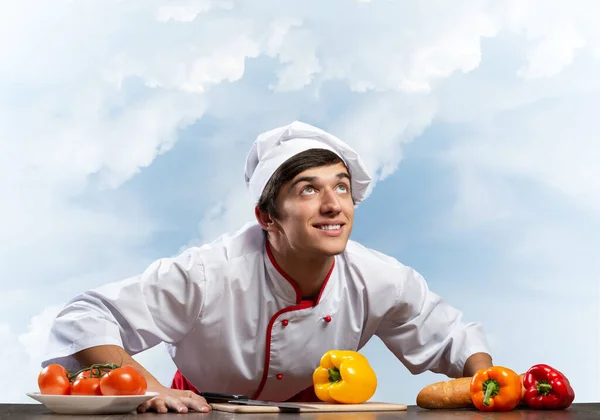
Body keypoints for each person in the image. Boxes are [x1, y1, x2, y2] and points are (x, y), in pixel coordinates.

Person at [41, 121, 493, 414]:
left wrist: (490, 384)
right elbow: (86, 317)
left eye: (341, 186)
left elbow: (451, 337)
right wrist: (153, 388)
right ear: (266, 217)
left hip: (319, 413)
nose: (335, 204)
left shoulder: (379, 278)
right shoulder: (207, 272)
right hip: (203, 412)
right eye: (308, 190)